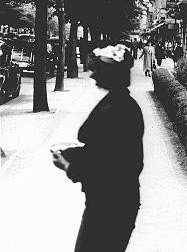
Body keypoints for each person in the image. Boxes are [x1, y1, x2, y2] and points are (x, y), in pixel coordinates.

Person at [51, 44, 144, 252]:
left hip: (107, 206)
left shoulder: (114, 109)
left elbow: (102, 166)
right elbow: (111, 154)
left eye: (98, 70)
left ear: (110, 75)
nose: (92, 75)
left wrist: (66, 164)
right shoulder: (124, 103)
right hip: (118, 201)